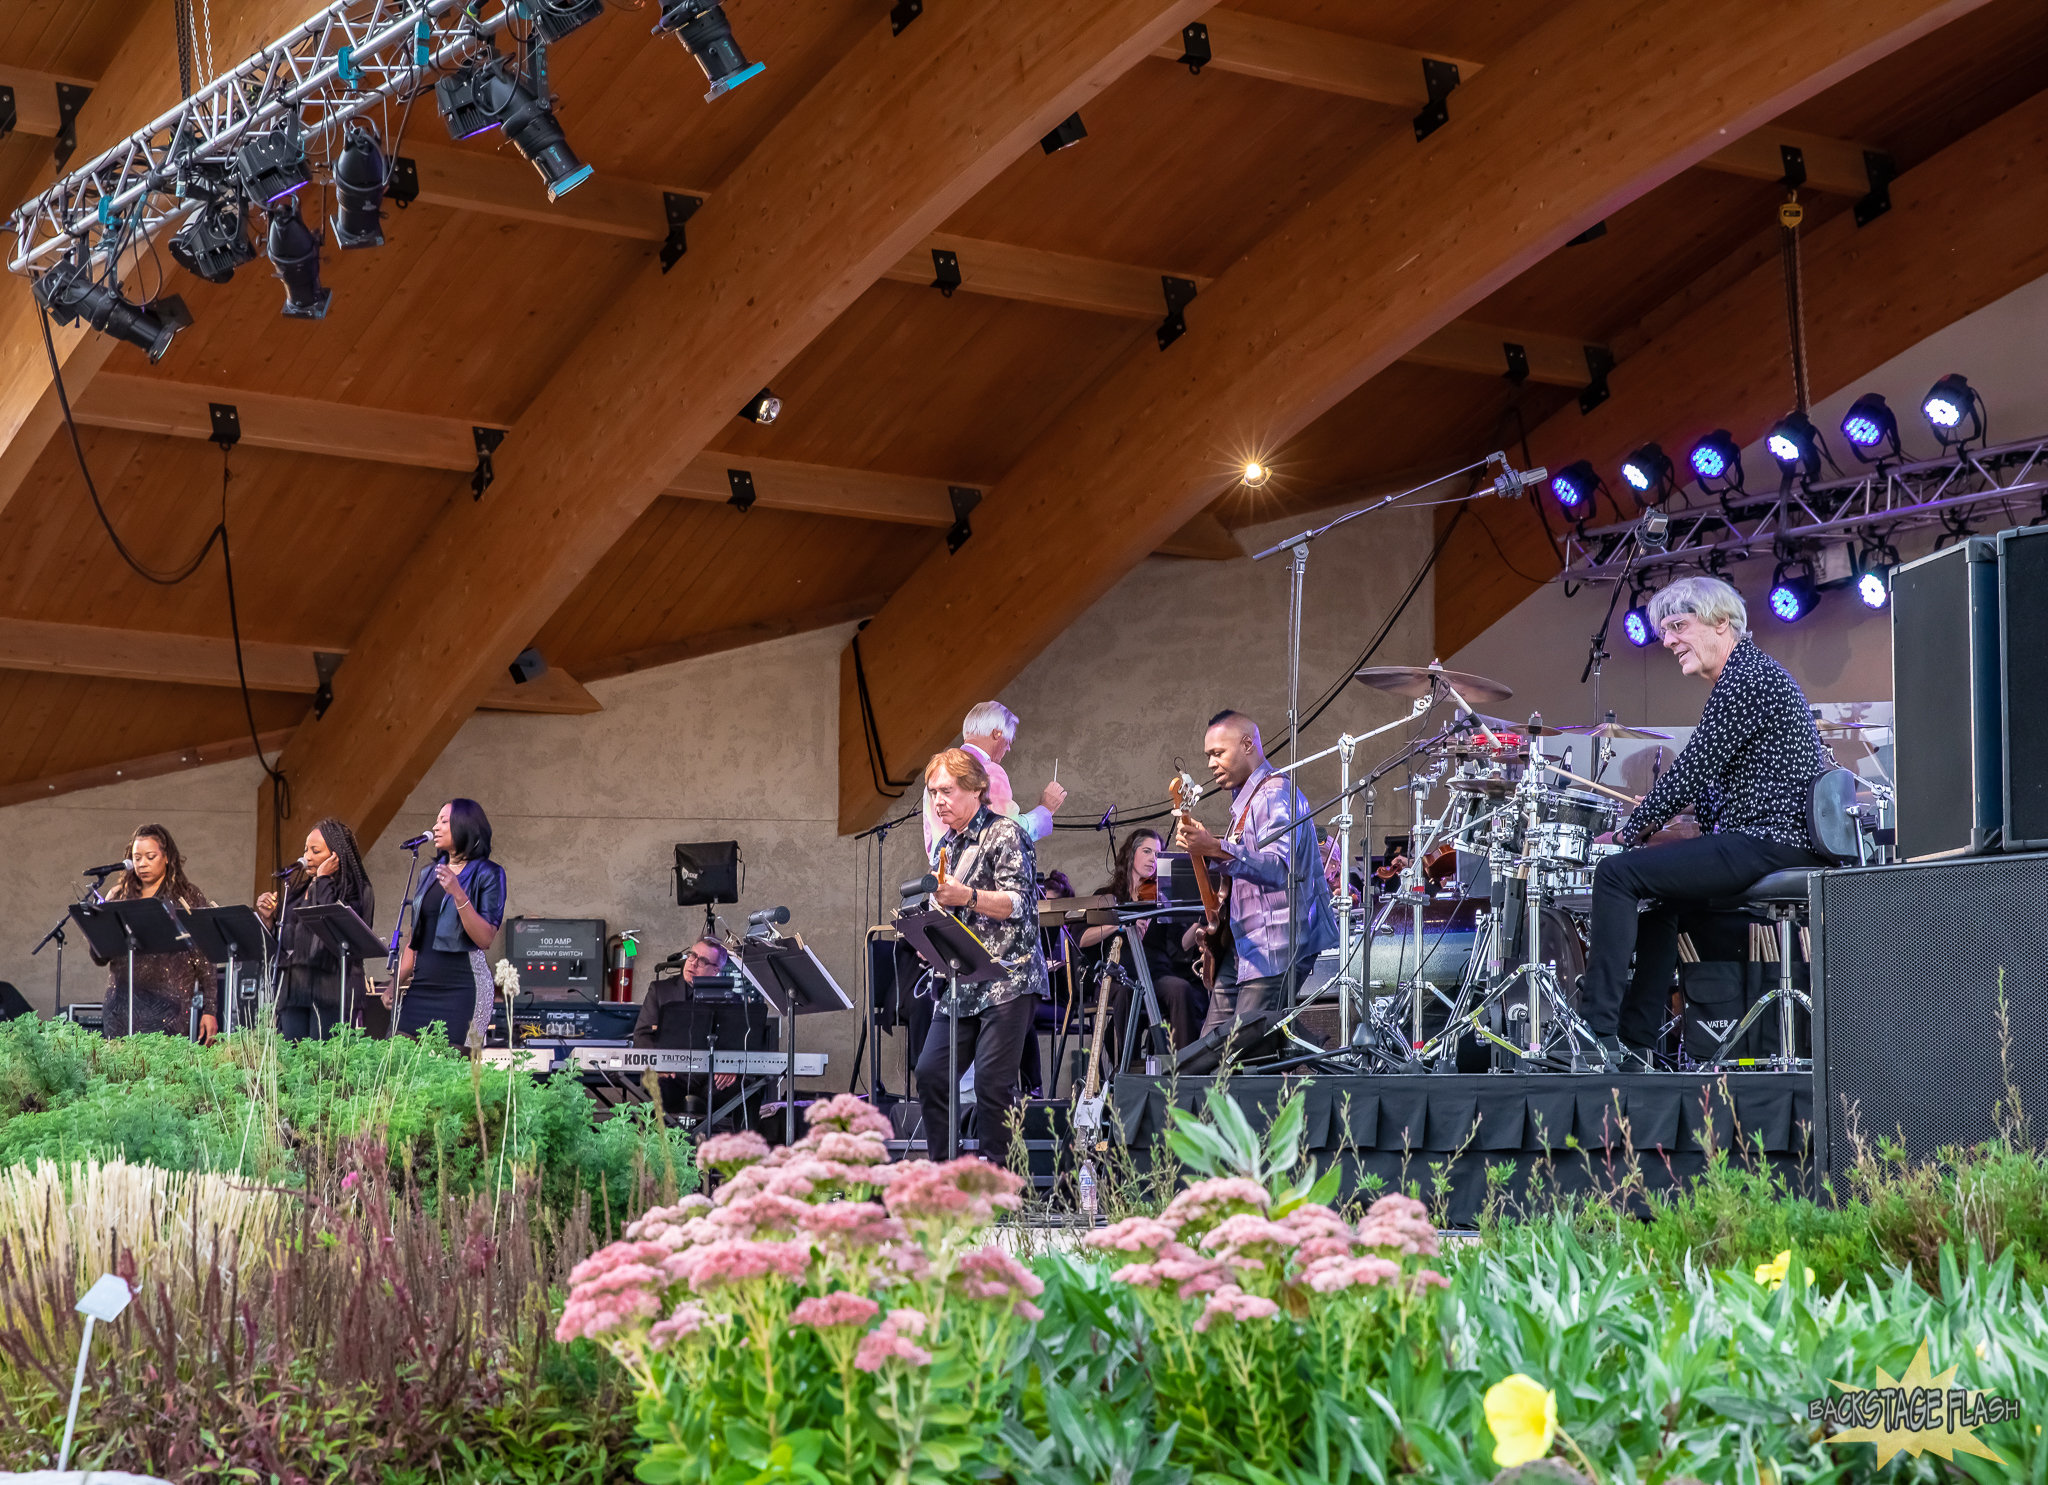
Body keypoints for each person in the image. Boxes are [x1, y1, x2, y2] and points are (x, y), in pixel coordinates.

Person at [1583, 576, 1831, 1069]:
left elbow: (1693, 768)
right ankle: (1634, 1045)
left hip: (1770, 840)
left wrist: (1633, 829)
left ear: (1722, 624)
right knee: (1660, 900)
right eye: (1664, 631)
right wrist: (1668, 814)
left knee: (1617, 874)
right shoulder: (1748, 675)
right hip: (1767, 837)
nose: (1669, 640)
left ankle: (1597, 1034)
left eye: (1679, 625)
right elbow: (1718, 782)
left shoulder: (1746, 677)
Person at [915, 747, 1049, 1167]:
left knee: (993, 1084)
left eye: (947, 791)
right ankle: (945, 1175)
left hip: (1010, 980)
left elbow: (1020, 903)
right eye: (933, 793)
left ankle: (1000, 1189)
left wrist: (966, 897)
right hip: (963, 982)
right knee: (932, 1073)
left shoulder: (1006, 833)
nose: (939, 802)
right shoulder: (948, 844)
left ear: (975, 789)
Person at [1175, 710, 1338, 1036]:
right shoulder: (1246, 802)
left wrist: (1215, 848)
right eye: (1208, 755)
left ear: (1248, 744)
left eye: (1218, 753)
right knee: (1212, 1049)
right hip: (1245, 947)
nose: (1210, 763)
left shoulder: (1274, 795)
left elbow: (1279, 868)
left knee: (1240, 1050)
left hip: (1276, 948)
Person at [1077, 828, 1206, 1054]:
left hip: (1155, 975)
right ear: (1130, 854)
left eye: (1157, 854)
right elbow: (1082, 938)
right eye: (1146, 851)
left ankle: (1184, 1068)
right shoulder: (1108, 897)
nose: (1151, 859)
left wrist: (1198, 920)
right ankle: (1128, 1066)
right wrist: (1120, 925)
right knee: (1129, 992)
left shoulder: (1162, 900)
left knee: (1181, 989)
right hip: (1117, 976)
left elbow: (1180, 945)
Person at [394, 799, 507, 1047]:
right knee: (399, 1064)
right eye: (436, 821)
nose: (436, 827)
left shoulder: (489, 873)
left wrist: (459, 894)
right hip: (422, 987)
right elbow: (416, 937)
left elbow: (485, 938)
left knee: (453, 1076)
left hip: (464, 989)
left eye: (444, 821)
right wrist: (396, 982)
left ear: (465, 825)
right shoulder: (428, 872)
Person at [256, 818, 375, 1041]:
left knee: (323, 1065)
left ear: (335, 856)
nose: (306, 856)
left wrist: (323, 880)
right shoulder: (298, 892)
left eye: (315, 851)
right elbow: (283, 943)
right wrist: (269, 919)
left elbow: (330, 924)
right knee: (294, 1062)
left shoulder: (356, 892)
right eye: (305, 849)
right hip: (295, 991)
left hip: (332, 991)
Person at [95, 824, 215, 1039]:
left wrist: (210, 1009)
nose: (142, 864)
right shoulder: (119, 896)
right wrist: (97, 924)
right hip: (121, 1006)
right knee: (119, 1070)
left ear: (167, 857)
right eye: (137, 858)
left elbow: (205, 955)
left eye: (150, 857)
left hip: (170, 1007)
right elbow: (100, 956)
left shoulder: (187, 896)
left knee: (165, 1071)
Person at [921, 701, 1067, 861]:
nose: (1008, 748)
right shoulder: (988, 771)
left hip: (943, 877)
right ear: (997, 733)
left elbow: (932, 846)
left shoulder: (936, 776)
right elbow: (1009, 833)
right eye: (1008, 740)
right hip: (978, 878)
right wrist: (1045, 810)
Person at [633, 937, 746, 1116]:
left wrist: (731, 1064)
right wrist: (656, 1064)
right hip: (671, 1075)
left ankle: (719, 1140)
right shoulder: (660, 990)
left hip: (712, 1079)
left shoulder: (732, 1000)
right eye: (692, 955)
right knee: (656, 1085)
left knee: (746, 1085)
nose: (692, 963)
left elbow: (740, 1041)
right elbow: (642, 1035)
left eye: (702, 961)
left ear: (716, 970)